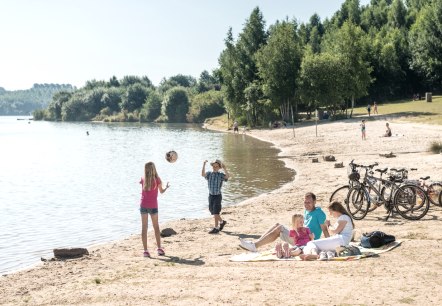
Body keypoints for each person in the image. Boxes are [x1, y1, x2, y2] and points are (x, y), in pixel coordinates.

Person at [239, 192, 327, 252]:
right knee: (277, 225)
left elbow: (325, 230)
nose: (306, 205)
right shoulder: (307, 211)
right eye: (305, 202)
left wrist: (329, 245)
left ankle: (254, 246)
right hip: (299, 237)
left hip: (307, 242)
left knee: (280, 228)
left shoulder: (320, 213)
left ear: (315, 202)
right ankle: (255, 243)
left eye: (309, 202)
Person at [139, 162, 169, 258]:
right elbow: (161, 191)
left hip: (143, 205)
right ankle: (159, 249)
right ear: (154, 169)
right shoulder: (157, 179)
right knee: (156, 227)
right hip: (153, 206)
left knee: (144, 228)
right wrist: (166, 188)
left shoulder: (143, 179)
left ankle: (145, 251)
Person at [202, 159, 230, 234]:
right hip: (211, 196)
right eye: (214, 166)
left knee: (216, 212)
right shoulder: (209, 174)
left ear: (219, 167)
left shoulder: (220, 175)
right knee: (212, 211)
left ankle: (216, 227)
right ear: (212, 167)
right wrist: (204, 165)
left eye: (217, 166)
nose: (215, 168)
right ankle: (222, 222)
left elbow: (227, 177)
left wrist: (225, 168)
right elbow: (203, 174)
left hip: (217, 196)